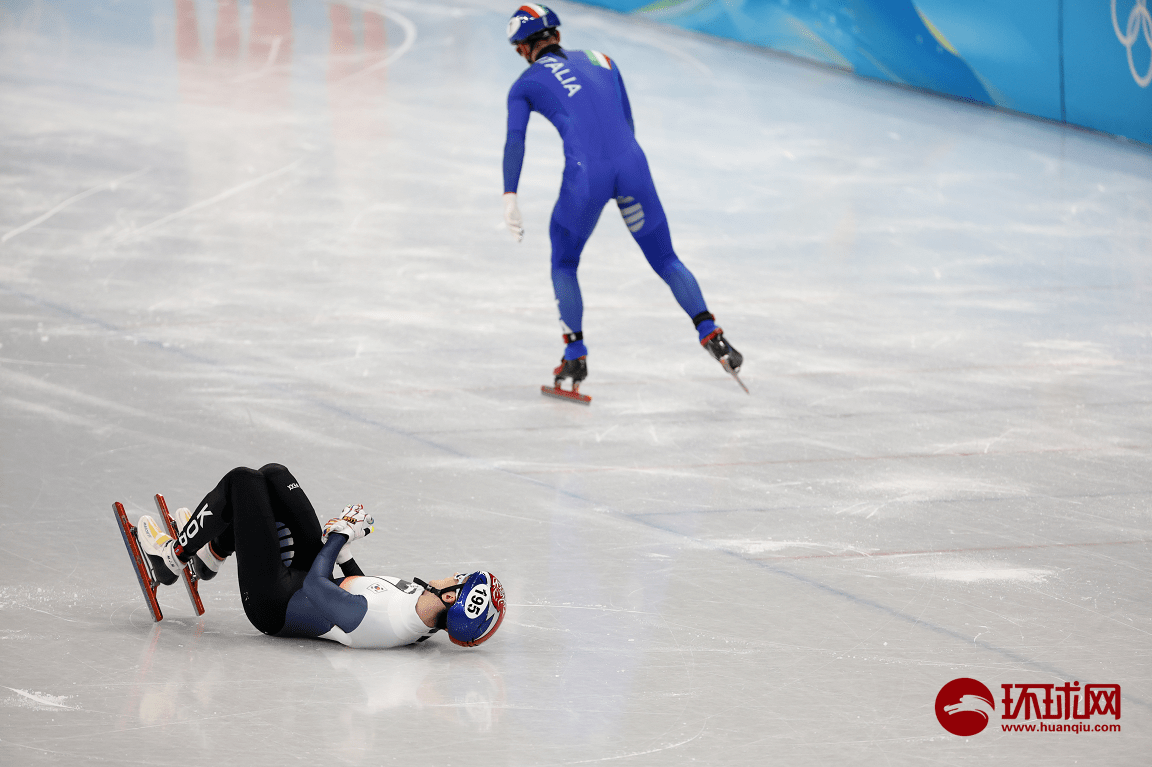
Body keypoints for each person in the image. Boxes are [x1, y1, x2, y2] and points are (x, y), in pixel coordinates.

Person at [501, 4, 744, 391]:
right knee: (666, 258)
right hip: (633, 167)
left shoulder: (525, 84)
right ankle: (711, 332)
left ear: (522, 49)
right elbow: (627, 122)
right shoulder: (604, 59)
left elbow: (516, 140)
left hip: (586, 178)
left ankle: (574, 357)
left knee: (564, 261)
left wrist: (510, 194)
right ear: (558, 36)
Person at [134, 463, 506, 649]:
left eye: (460, 577)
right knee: (276, 477)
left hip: (275, 602)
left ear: (452, 597)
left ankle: (170, 560)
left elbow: (317, 587)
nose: (453, 573)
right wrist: (344, 554)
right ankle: (212, 554)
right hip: (310, 580)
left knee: (243, 481)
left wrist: (340, 535)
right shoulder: (418, 615)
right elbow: (363, 587)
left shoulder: (385, 622)